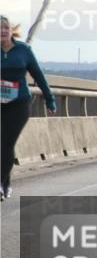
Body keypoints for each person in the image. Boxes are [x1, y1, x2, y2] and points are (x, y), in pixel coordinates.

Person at [1, 16, 57, 200]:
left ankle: (2, 183)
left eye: (6, 28)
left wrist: (50, 100)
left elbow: (38, 75)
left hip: (19, 103)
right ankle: (4, 180)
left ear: (11, 31)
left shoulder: (23, 50)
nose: (3, 31)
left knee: (6, 143)